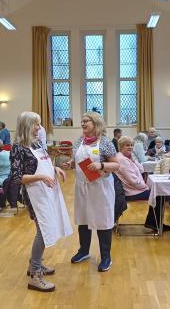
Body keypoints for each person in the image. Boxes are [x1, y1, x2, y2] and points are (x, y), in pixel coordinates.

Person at [10, 112, 72, 292]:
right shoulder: (18, 148)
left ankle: (34, 265)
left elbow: (41, 164)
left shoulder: (36, 143)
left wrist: (55, 168)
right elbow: (16, 177)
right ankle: (35, 275)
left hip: (47, 191)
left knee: (47, 228)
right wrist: (40, 177)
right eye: (36, 124)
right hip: (34, 194)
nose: (39, 128)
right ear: (27, 125)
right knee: (43, 231)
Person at [62, 112, 119, 273]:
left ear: (96, 123)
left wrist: (101, 166)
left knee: (103, 221)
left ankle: (106, 257)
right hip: (82, 187)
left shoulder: (105, 143)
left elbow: (116, 166)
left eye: (86, 121)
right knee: (83, 218)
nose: (83, 123)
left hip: (101, 187)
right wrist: (71, 163)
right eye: (82, 120)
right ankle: (83, 251)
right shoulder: (79, 141)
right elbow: (78, 159)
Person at [114, 137, 165, 231]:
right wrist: (146, 187)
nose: (130, 147)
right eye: (127, 145)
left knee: (157, 193)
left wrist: (133, 160)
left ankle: (153, 222)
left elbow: (142, 169)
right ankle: (154, 223)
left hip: (134, 189)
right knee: (159, 195)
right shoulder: (122, 160)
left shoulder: (125, 157)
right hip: (132, 192)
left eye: (131, 145)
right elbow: (133, 181)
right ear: (121, 147)